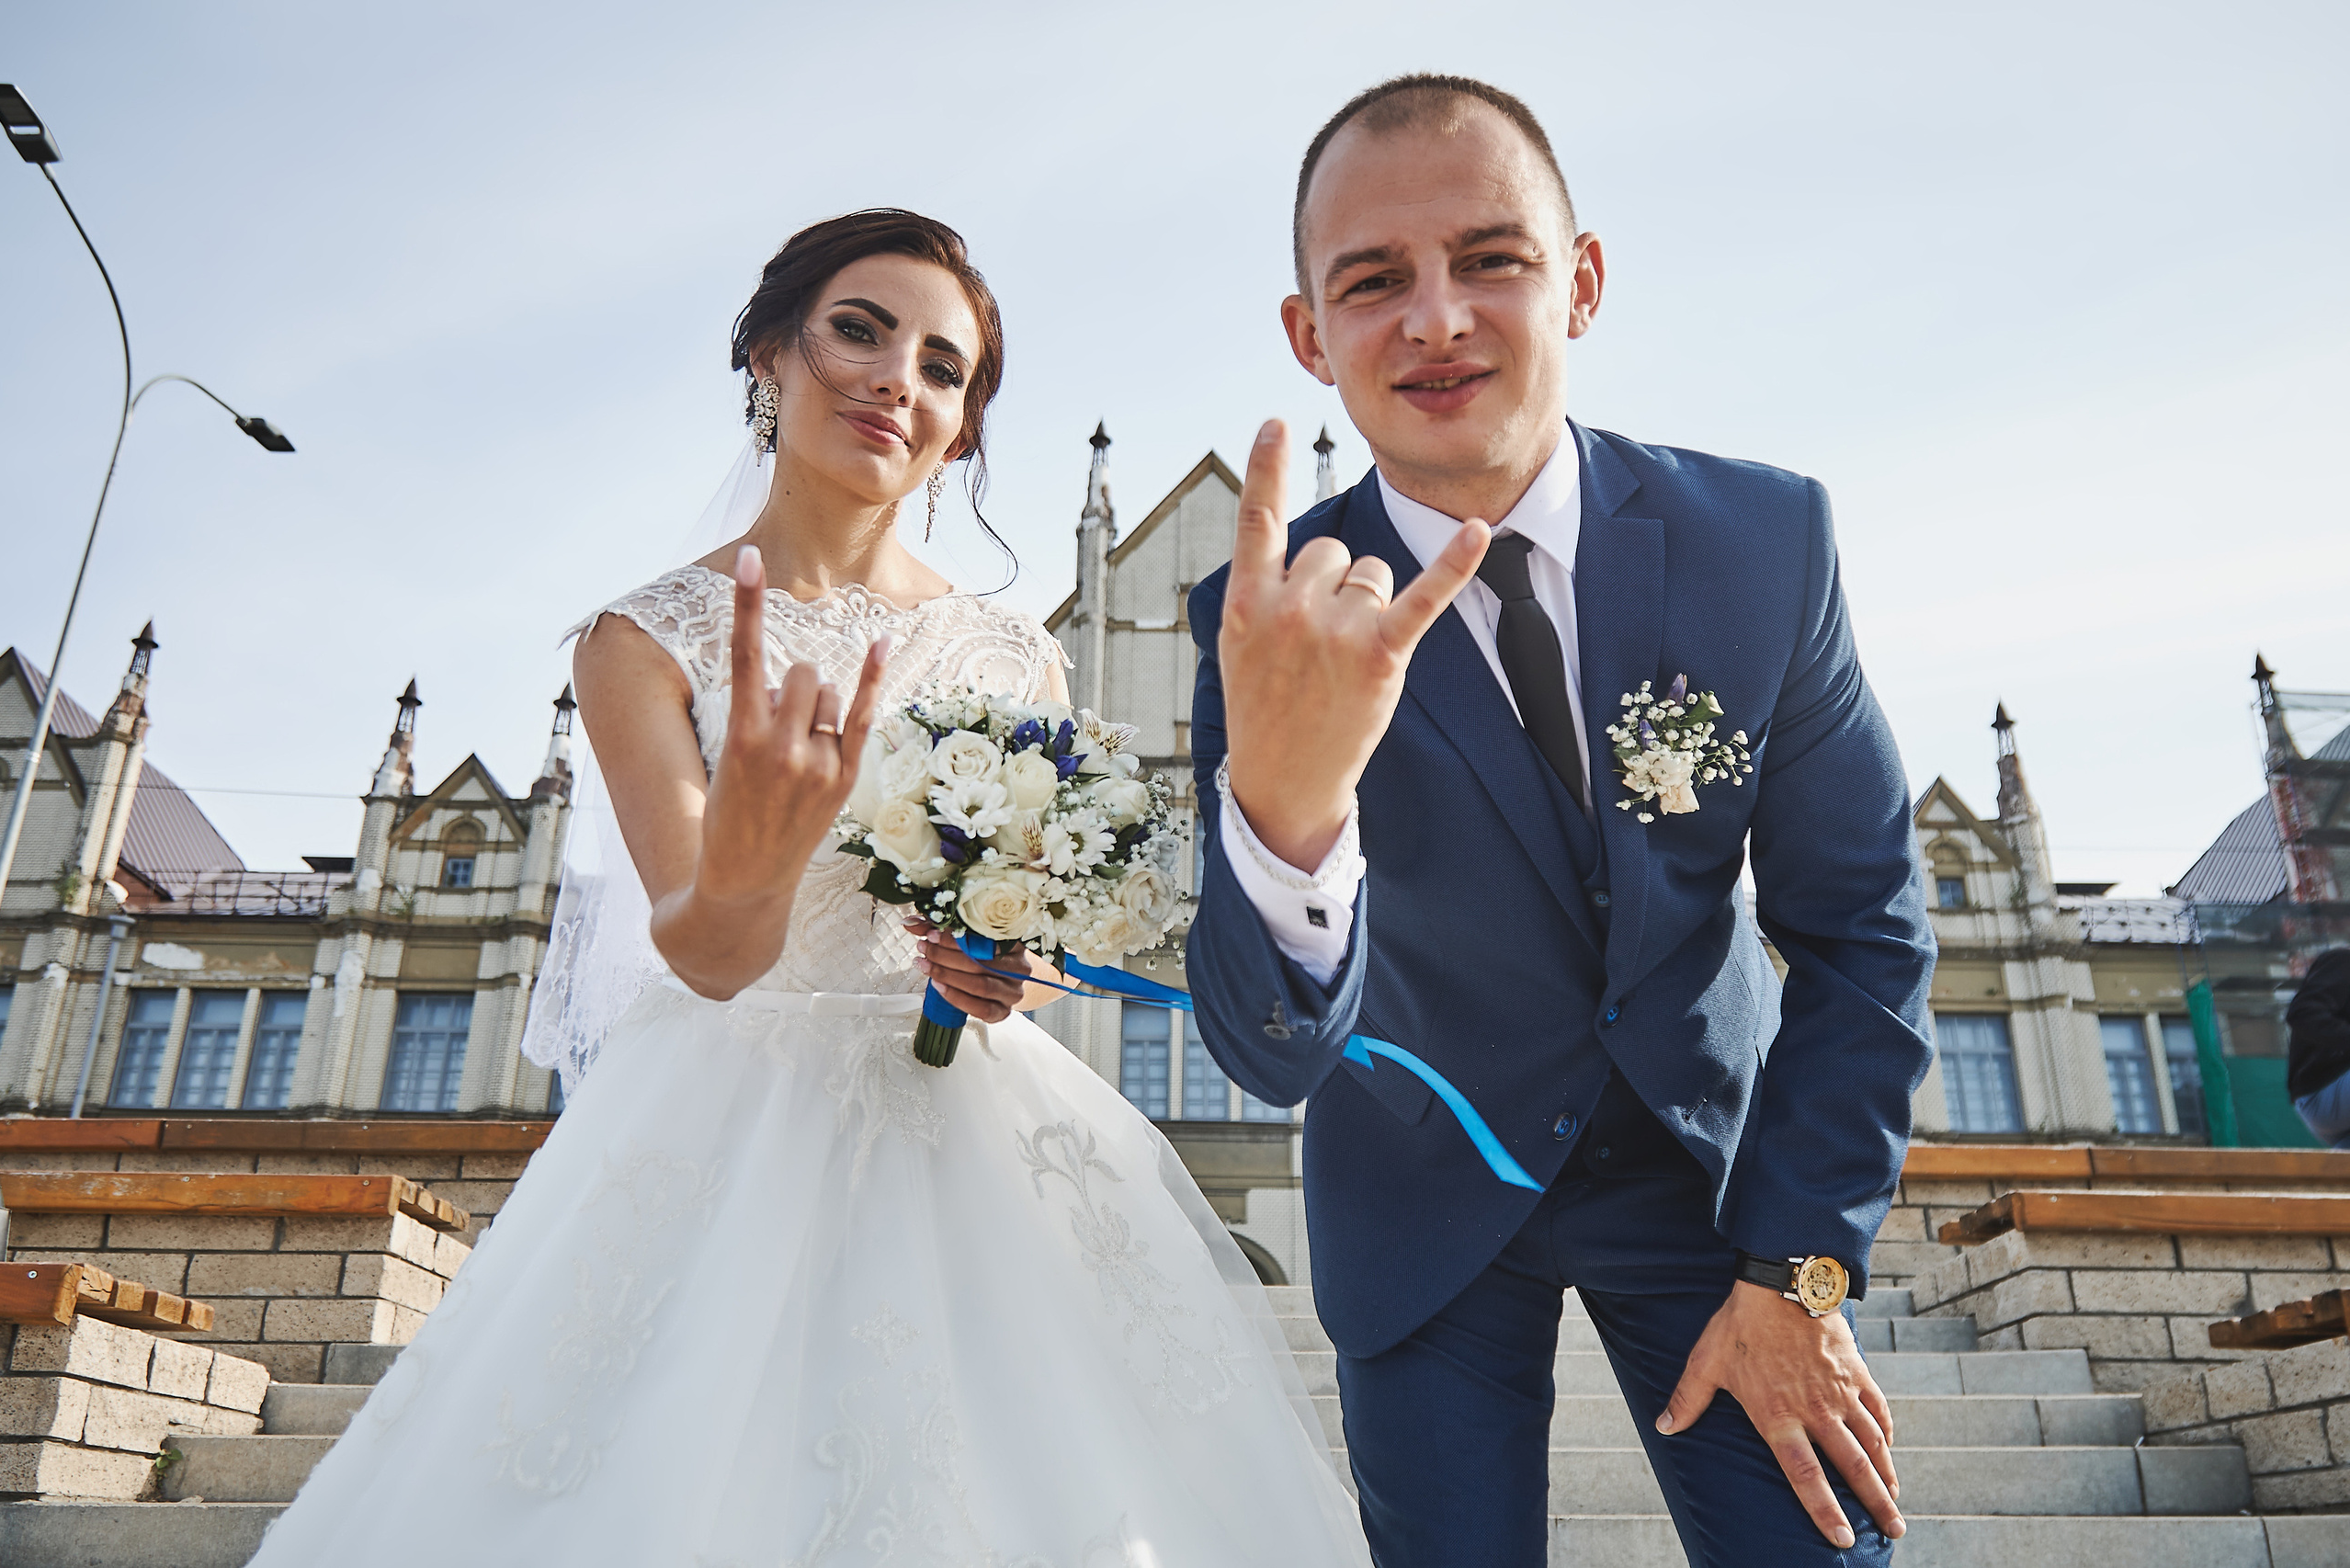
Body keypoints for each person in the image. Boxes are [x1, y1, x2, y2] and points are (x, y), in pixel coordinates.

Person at [250, 210, 1371, 1568]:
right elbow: (708, 954)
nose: (900, 375)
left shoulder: (1016, 654)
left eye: (945, 367)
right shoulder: (640, 643)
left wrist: (993, 962)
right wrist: (757, 847)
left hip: (965, 1119)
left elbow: (1010, 920)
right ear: (769, 352)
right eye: (861, 327)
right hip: (731, 1107)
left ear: (960, 430)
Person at [1184, 76, 1936, 1566]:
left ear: (1580, 281)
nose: (1439, 318)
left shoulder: (1765, 545)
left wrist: (1800, 1272)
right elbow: (1265, 1050)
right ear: (1307, 334)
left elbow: (1863, 934)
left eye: (1491, 259)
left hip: (1717, 1195)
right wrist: (1287, 810)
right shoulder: (1257, 615)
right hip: (1422, 1216)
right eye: (1374, 280)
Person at [2289, 947, 2350, 1148]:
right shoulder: (2344, 961)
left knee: (2340, 1174)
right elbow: (2302, 1012)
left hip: (2336, 1111)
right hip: (2323, 1092)